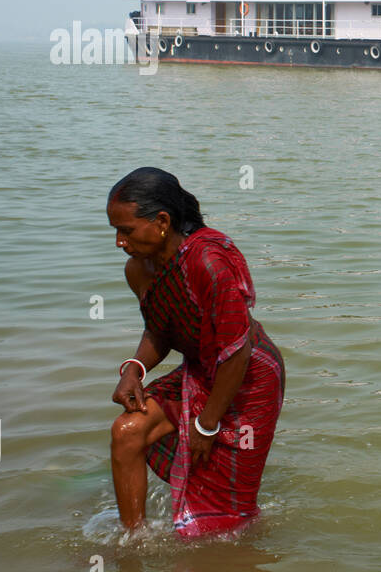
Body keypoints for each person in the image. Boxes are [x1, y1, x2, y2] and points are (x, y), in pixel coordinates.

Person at [106, 168, 285, 538]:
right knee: (127, 431)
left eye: (126, 231)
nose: (120, 242)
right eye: (116, 232)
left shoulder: (208, 262)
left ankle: (237, 548)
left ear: (162, 221)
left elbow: (237, 352)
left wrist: (206, 424)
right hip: (203, 370)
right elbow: (160, 327)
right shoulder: (139, 270)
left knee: (223, 516)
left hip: (249, 376)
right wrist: (135, 368)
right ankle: (133, 540)